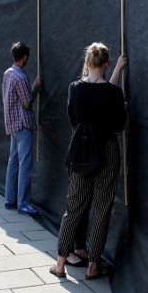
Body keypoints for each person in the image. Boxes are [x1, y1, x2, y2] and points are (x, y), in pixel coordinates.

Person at [51, 43, 127, 280]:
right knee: (102, 209)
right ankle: (93, 265)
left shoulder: (75, 88)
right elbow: (118, 126)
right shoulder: (114, 94)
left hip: (82, 153)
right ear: (106, 64)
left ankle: (61, 263)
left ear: (86, 63)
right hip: (107, 152)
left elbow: (75, 120)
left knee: (73, 208)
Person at [2, 42, 42, 217]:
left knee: (13, 162)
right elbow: (27, 102)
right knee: (25, 164)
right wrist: (36, 87)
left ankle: (10, 199)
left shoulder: (8, 73)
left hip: (11, 124)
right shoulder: (21, 76)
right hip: (23, 124)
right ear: (24, 57)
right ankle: (24, 203)